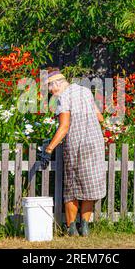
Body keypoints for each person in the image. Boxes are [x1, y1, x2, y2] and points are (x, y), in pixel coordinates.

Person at [40, 68, 106, 237]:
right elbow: (100, 117)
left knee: (72, 187)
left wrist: (48, 150)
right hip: (96, 143)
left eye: (50, 87)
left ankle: (71, 229)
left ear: (57, 83)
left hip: (78, 145)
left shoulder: (64, 97)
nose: (50, 91)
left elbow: (64, 127)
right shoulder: (84, 91)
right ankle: (84, 226)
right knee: (90, 184)